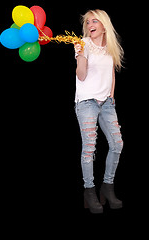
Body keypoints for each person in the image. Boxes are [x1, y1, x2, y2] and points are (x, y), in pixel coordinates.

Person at [74, 9, 124, 213]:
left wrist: (111, 95)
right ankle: (89, 191)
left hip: (107, 103)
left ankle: (107, 186)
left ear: (104, 25)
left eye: (94, 21)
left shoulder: (110, 46)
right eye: (87, 22)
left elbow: (111, 72)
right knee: (89, 149)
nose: (90, 25)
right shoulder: (84, 44)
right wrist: (80, 55)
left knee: (117, 144)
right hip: (87, 102)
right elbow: (81, 76)